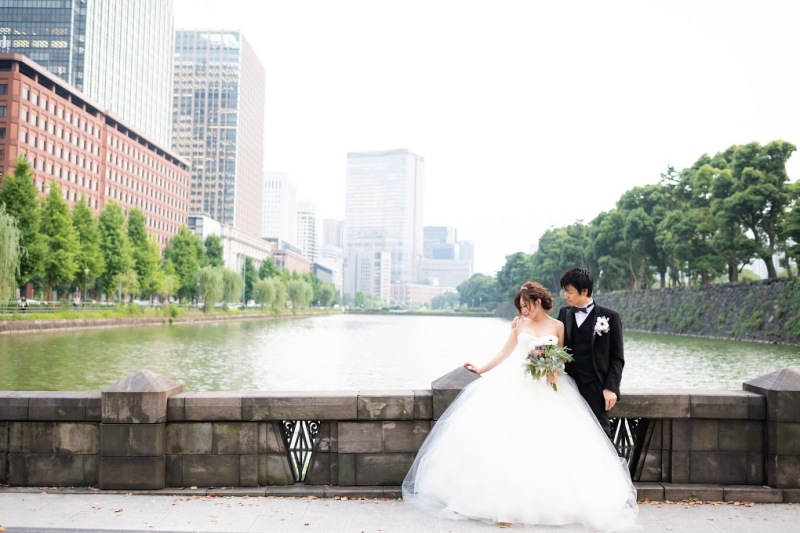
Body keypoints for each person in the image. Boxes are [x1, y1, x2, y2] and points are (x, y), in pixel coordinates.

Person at [402, 282, 639, 531]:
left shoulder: (559, 325)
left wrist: (554, 371)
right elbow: (504, 352)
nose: (524, 310)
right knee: (510, 442)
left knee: (553, 445)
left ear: (538, 302)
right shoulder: (519, 324)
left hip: (550, 390)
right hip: (517, 384)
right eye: (521, 307)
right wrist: (481, 368)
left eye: (526, 305)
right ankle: (505, 503)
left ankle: (551, 502)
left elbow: (562, 357)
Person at [557, 267, 625, 438]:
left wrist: (611, 388)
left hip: (596, 386)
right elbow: (553, 342)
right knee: (569, 435)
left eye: (569, 292)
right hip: (568, 385)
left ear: (584, 291)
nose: (566, 296)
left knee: (601, 436)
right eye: (564, 291)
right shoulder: (564, 313)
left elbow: (617, 358)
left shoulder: (610, 317)